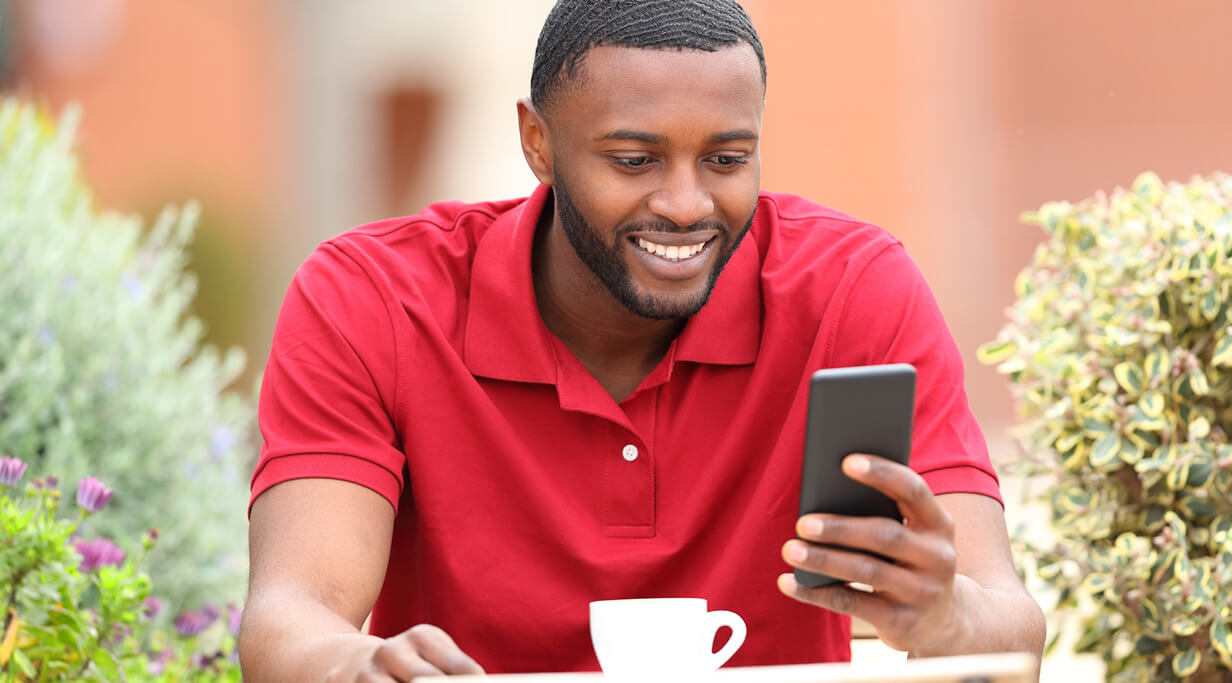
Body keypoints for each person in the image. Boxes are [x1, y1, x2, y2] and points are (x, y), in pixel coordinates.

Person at [238, 0, 1046, 680]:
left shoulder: (855, 291)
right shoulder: (370, 298)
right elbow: (290, 612)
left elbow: (1013, 629)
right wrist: (355, 665)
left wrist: (946, 615)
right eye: (634, 159)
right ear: (538, 143)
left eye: (726, 158)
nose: (688, 204)